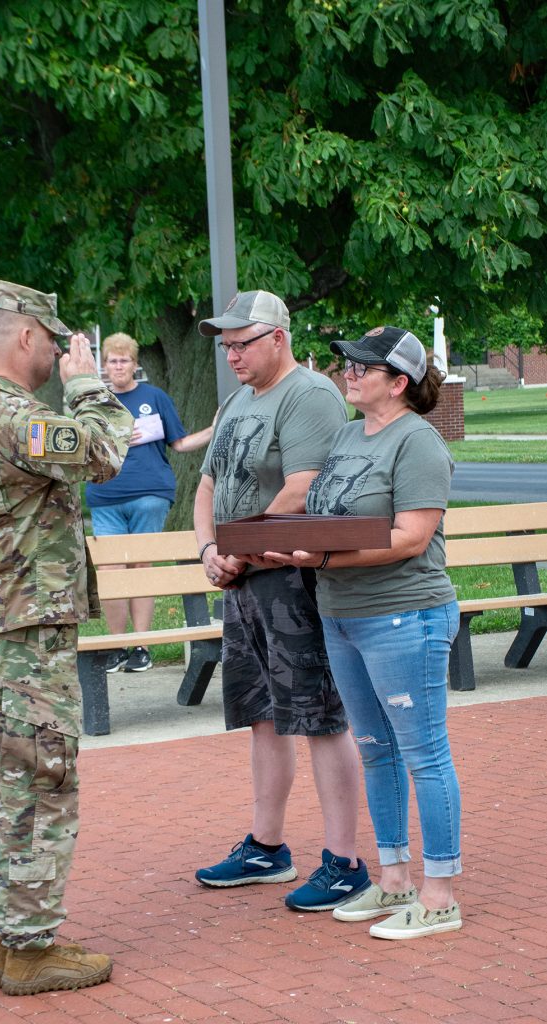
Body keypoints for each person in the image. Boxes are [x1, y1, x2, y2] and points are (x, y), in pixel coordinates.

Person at [0, 278, 134, 995]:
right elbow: (103, 453)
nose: (57, 351)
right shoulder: (17, 420)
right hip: (24, 628)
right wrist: (91, 386)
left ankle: (6, 935)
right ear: (27, 337)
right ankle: (32, 946)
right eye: (53, 338)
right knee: (40, 776)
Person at [263, 325, 462, 940]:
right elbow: (327, 516)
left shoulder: (418, 441)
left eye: (361, 368)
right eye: (347, 364)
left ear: (397, 383)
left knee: (424, 754)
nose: (347, 373)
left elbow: (410, 538)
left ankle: (440, 894)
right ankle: (395, 878)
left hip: (405, 615)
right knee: (376, 750)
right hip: (342, 615)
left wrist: (318, 561)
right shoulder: (349, 435)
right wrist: (283, 544)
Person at [193, 289, 367, 911]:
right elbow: (208, 484)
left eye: (242, 344)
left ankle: (345, 861)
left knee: (319, 715)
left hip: (293, 580)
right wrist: (209, 550)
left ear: (278, 338)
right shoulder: (239, 400)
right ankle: (267, 848)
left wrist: (238, 549)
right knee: (262, 713)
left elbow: (304, 488)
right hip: (243, 582)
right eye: (226, 346)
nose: (232, 356)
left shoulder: (310, 396)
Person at [86, 331, 213, 673]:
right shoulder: (94, 401)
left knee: (141, 570)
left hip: (150, 494)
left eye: (124, 360)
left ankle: (141, 646)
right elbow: (80, 447)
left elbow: (181, 443)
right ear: (105, 365)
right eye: (112, 360)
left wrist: (216, 428)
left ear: (135, 364)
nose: (118, 366)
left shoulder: (154, 397)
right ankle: (116, 646)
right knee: (111, 573)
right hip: (105, 496)